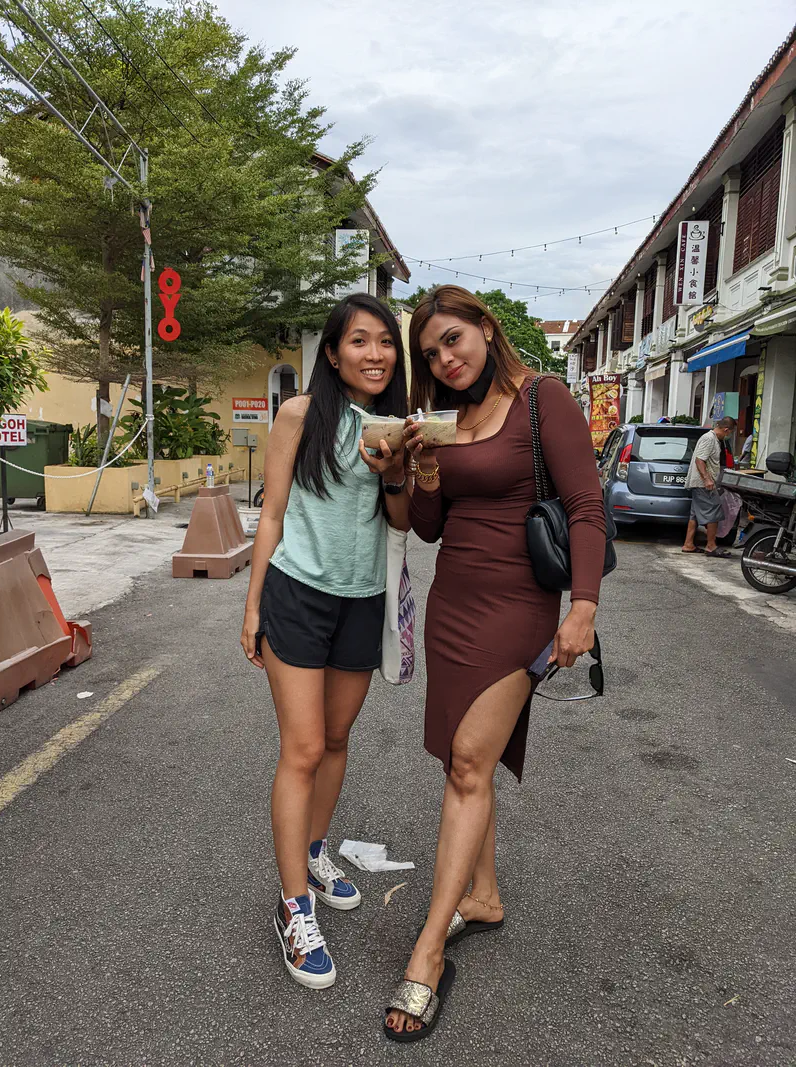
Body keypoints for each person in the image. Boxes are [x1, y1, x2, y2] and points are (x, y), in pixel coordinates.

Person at [383, 285, 607, 1041]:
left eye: (453, 339)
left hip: (516, 607)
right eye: (432, 354)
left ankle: (427, 952)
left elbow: (584, 505)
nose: (445, 359)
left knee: (470, 763)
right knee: (461, 761)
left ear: (485, 326)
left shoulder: (542, 396)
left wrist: (584, 603)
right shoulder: (450, 419)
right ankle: (482, 894)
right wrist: (418, 467)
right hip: (454, 600)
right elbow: (430, 528)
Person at [240, 293, 410, 990]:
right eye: (359, 341)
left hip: (363, 599)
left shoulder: (398, 428)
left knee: (337, 739)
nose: (375, 353)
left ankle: (314, 849)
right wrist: (251, 606)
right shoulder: (299, 416)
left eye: (385, 342)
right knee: (303, 748)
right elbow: (274, 510)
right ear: (334, 352)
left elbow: (404, 518)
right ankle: (293, 907)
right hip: (297, 594)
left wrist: (395, 469)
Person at [681, 416, 736, 558]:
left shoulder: (714, 439)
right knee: (714, 511)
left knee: (695, 514)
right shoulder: (709, 439)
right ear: (726, 429)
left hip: (700, 483)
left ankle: (688, 544)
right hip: (703, 484)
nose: (728, 435)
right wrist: (707, 479)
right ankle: (711, 546)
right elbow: (700, 460)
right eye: (729, 433)